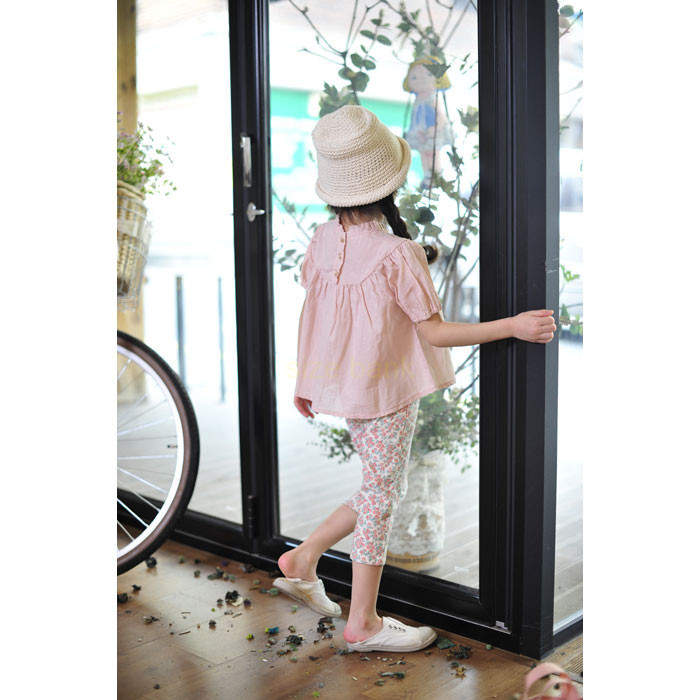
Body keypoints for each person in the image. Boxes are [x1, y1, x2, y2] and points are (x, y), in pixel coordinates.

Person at [273, 105, 556, 654]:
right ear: (390, 182)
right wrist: (513, 327)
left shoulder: (322, 239)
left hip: (347, 390)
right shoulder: (398, 254)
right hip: (385, 394)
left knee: (381, 487)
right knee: (381, 495)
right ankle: (362, 622)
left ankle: (303, 559)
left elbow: (315, 315)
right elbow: (435, 333)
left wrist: (305, 381)